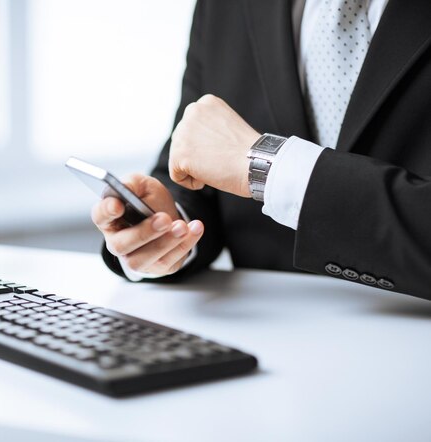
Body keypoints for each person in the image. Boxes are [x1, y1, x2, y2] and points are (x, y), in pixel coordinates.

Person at [91, 0, 431, 301]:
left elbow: (241, 157)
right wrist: (165, 230)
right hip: (258, 342)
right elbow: (194, 165)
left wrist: (268, 166)